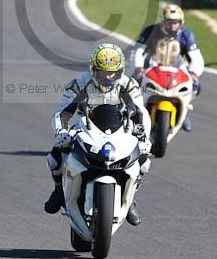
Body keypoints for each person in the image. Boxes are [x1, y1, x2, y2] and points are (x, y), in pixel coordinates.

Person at [44, 42, 151, 226]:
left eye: (112, 72)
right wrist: (61, 132)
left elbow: (141, 113)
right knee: (55, 158)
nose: (107, 77)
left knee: (144, 161)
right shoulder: (79, 84)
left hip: (119, 129)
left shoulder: (129, 85)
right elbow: (62, 113)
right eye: (102, 72)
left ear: (120, 71)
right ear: (93, 69)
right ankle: (59, 191)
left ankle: (131, 197)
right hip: (83, 127)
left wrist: (143, 136)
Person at [130, 4, 204, 133]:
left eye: (176, 23)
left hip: (177, 68)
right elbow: (137, 51)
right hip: (152, 66)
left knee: (196, 86)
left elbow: (196, 57)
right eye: (170, 22)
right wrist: (138, 67)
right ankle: (132, 111)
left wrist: (193, 73)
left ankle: (184, 108)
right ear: (163, 21)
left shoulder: (187, 35)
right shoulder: (150, 31)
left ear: (181, 23)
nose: (173, 26)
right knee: (132, 83)